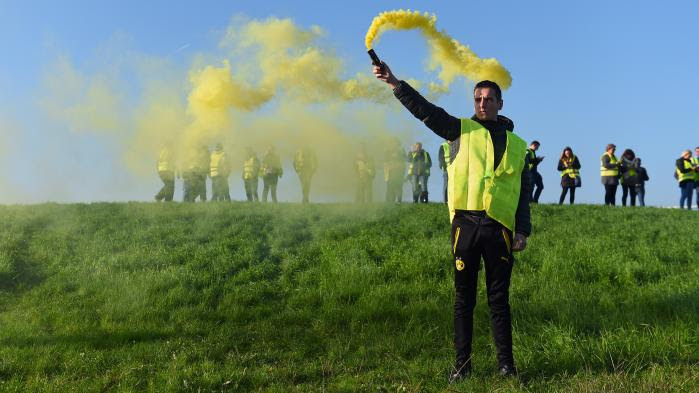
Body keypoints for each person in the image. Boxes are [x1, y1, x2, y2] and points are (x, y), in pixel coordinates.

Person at [374, 63, 531, 380]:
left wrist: (522, 229)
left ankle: (506, 366)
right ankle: (462, 366)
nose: (482, 103)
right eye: (477, 99)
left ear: (500, 103)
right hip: (465, 227)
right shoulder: (459, 129)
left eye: (488, 98)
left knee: (499, 301)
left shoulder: (518, 145)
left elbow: (523, 190)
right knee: (464, 300)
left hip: (499, 227)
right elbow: (426, 111)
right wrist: (394, 83)